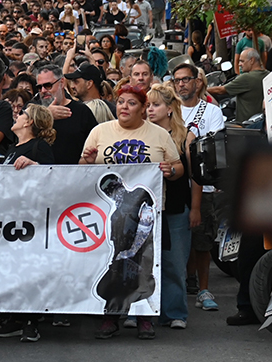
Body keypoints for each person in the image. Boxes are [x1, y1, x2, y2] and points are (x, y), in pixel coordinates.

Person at [80, 85, 184, 340]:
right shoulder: (100, 132)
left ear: (143, 108)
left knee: (146, 267)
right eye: (120, 102)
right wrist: (87, 160)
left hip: (148, 217)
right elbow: (82, 169)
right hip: (111, 221)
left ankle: (144, 319)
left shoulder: (159, 135)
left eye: (131, 103)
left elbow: (178, 166)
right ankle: (111, 317)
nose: (124, 107)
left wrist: (170, 172)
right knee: (113, 267)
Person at [0, 103, 56, 342]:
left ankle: (31, 323)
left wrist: (35, 166)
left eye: (22, 114)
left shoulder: (39, 146)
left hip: (31, 220)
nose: (17, 115)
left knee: (29, 270)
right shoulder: (13, 148)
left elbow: (53, 177)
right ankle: (15, 317)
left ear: (29, 122)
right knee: (13, 270)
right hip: (9, 220)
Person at [171, 63, 223, 311]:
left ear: (197, 82)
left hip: (204, 185)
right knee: (179, 239)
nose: (181, 84)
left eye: (186, 79)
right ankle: (182, 283)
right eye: (177, 80)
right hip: (175, 183)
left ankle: (204, 288)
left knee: (203, 240)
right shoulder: (171, 110)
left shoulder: (211, 111)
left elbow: (215, 145)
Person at [147, 84, 197, 329]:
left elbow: (195, 176)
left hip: (177, 207)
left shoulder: (186, 136)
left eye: (155, 105)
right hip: (146, 210)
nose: (150, 110)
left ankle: (176, 312)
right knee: (144, 262)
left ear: (169, 109)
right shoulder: (140, 134)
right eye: (147, 105)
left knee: (174, 263)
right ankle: (142, 312)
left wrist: (195, 208)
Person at [36, 65, 97, 166]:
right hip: (42, 176)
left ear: (62, 83)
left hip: (74, 175)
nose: (43, 91)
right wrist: (46, 115)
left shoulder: (82, 112)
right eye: (39, 87)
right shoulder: (33, 111)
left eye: (48, 85)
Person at [208, 49, 267, 123]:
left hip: (246, 126)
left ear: (252, 60)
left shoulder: (246, 78)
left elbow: (220, 90)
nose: (239, 64)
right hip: (263, 122)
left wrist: (202, 89)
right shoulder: (268, 74)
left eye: (242, 61)